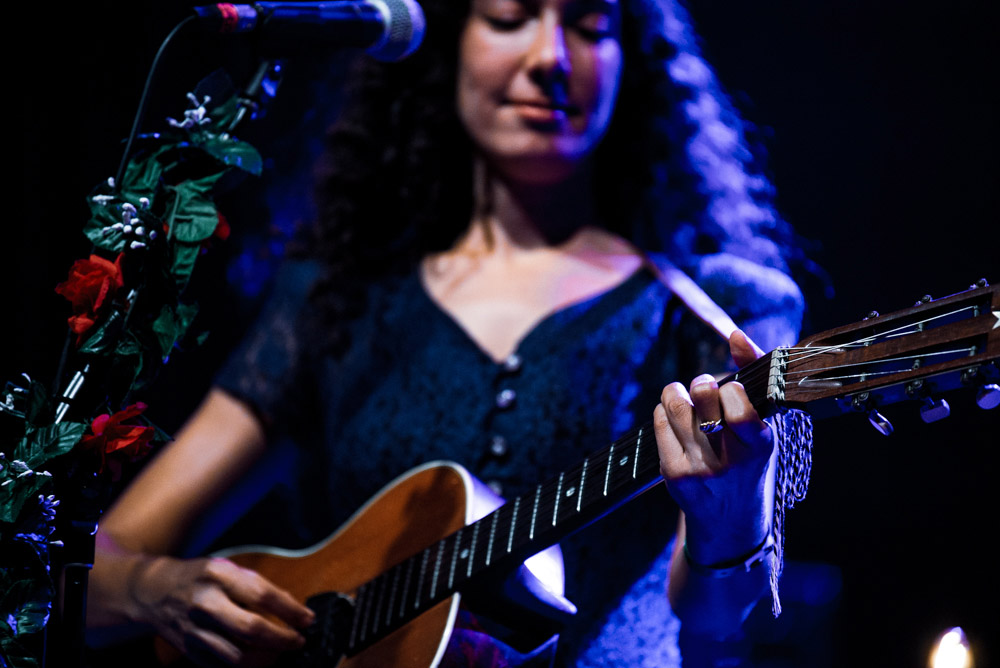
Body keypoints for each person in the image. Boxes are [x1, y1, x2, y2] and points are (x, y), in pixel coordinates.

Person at [86, 0, 806, 665]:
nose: (551, 56)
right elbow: (103, 568)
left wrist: (730, 517)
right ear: (450, 46)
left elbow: (719, 622)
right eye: (507, 16)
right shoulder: (336, 298)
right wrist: (160, 591)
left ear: (634, 63)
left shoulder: (725, 307)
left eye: (591, 26)